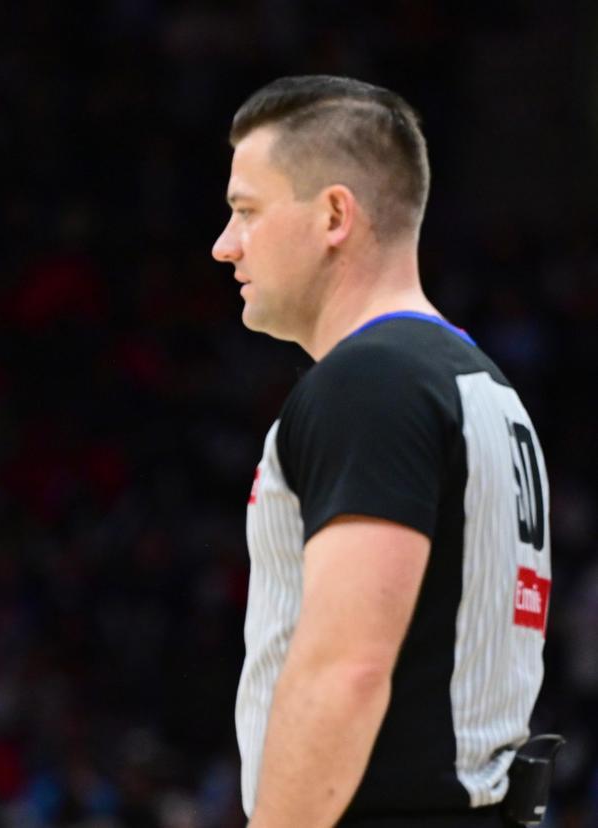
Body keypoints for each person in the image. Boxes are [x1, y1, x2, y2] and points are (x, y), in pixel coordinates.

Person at [212, 76, 551, 827]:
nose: (224, 244)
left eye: (247, 211)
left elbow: (347, 673)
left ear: (335, 214)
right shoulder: (479, 383)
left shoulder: (371, 383)